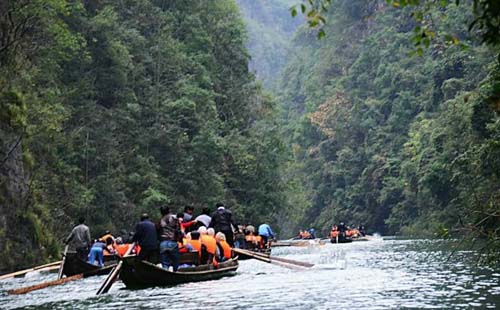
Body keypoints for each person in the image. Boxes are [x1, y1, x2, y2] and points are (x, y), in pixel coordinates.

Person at [159, 206, 180, 271]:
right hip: (172, 242)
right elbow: (178, 230)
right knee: (175, 262)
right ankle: (176, 272)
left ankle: (166, 272)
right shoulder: (173, 217)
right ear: (169, 210)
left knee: (165, 264)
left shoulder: (161, 220)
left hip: (163, 243)